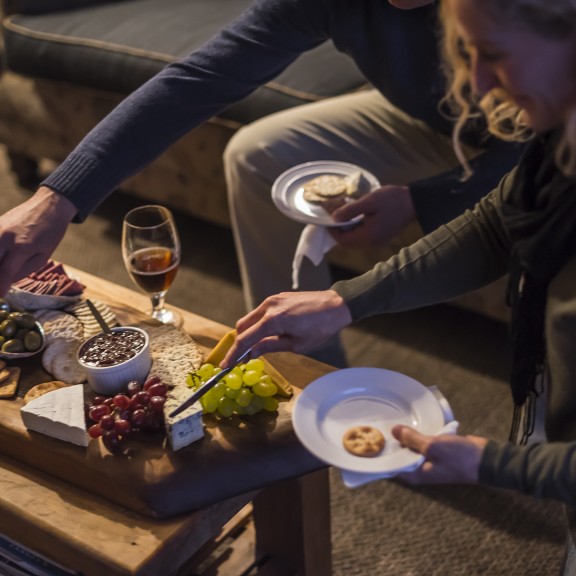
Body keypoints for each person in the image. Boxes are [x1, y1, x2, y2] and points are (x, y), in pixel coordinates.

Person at [0, 0, 522, 364]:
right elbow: (200, 79)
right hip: (436, 120)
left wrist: (424, 200)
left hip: (531, 139)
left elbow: (547, 155)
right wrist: (55, 199)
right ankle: (311, 368)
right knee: (256, 154)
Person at [223, 0, 576, 531]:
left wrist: (495, 464)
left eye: (494, 55)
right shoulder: (560, 140)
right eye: (468, 53)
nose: (478, 85)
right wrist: (343, 301)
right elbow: (495, 227)